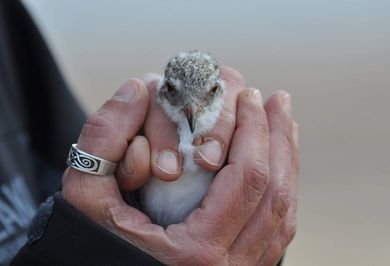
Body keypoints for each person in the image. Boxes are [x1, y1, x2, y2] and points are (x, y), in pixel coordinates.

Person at [0, 1, 299, 265]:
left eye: (207, 96)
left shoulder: (9, 31)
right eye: (174, 93)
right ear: (164, 91)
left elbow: (67, 191)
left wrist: (252, 234)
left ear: (218, 93)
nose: (191, 111)